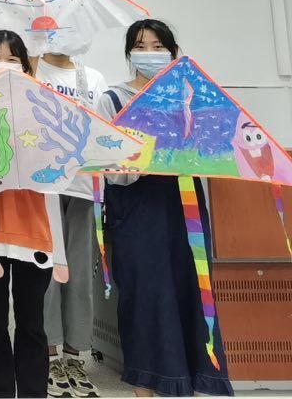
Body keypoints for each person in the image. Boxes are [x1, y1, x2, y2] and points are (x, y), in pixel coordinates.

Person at [97, 20, 232, 398]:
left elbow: (211, 151)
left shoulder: (189, 98)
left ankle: (192, 381)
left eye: (158, 47)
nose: (149, 54)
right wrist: (140, 160)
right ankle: (145, 386)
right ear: (129, 53)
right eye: (141, 46)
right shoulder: (113, 99)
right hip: (136, 207)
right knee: (145, 293)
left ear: (172, 53)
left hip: (184, 206)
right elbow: (109, 168)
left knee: (190, 289)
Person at [0, 31, 59, 399]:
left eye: (11, 59)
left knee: (32, 324)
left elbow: (57, 165)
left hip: (34, 232)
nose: (2, 66)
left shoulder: (44, 110)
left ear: (26, 67)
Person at [33, 31, 109, 398]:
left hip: (83, 189)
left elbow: (105, 131)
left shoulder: (92, 78)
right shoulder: (32, 70)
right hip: (40, 189)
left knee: (79, 277)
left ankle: (76, 356)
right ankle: (49, 357)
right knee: (46, 277)